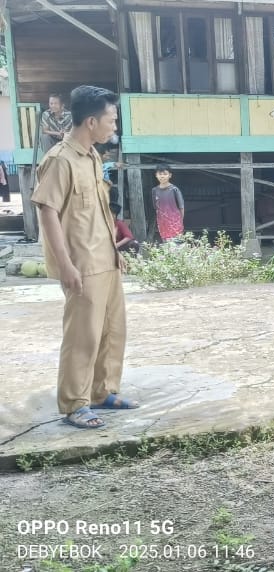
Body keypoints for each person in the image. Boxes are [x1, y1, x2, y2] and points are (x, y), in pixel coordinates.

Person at [30, 85, 138, 430]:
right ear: (92, 121)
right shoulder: (59, 160)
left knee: (112, 331)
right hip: (80, 265)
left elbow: (101, 211)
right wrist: (65, 265)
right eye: (112, 120)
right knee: (83, 336)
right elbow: (47, 213)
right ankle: (75, 403)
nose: (114, 127)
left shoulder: (91, 156)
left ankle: (102, 391)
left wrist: (114, 251)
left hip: (105, 260)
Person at [152, 164, 185, 241]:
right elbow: (156, 207)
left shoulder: (174, 189)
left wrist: (179, 222)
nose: (162, 176)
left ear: (170, 175)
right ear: (156, 175)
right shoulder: (154, 190)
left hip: (175, 223)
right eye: (160, 174)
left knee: (176, 245)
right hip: (162, 223)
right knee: (166, 244)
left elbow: (181, 207)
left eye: (165, 174)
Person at [39, 93, 73, 158]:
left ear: (62, 105)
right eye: (51, 103)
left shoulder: (69, 115)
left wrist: (64, 133)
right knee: (44, 137)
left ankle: (67, 159)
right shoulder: (46, 114)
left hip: (65, 140)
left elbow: (71, 131)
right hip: (52, 140)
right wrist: (57, 133)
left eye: (56, 103)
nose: (53, 106)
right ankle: (49, 158)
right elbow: (45, 130)